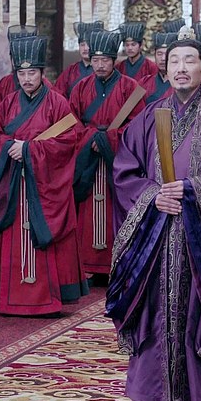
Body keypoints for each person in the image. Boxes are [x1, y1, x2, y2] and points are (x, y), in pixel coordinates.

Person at [107, 32, 201, 401]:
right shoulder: (148, 118)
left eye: (190, 61)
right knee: (156, 308)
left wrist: (192, 191)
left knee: (200, 310)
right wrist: (153, 196)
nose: (181, 68)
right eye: (174, 61)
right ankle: (153, 392)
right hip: (156, 237)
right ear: (166, 69)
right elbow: (124, 171)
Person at [0, 36, 88, 316]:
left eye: (32, 72)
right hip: (13, 184)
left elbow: (68, 140)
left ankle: (47, 298)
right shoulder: (7, 103)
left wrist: (29, 150)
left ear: (42, 73)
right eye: (22, 73)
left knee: (43, 233)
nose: (27, 79)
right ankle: (11, 297)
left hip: (44, 187)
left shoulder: (57, 103)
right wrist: (10, 147)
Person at [69, 30, 144, 281]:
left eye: (105, 60)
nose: (100, 65)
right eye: (95, 60)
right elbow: (72, 123)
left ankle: (118, 263)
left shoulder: (130, 88)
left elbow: (137, 126)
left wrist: (107, 140)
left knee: (116, 210)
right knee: (88, 212)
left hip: (117, 160)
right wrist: (91, 139)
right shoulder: (81, 88)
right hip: (88, 159)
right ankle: (88, 264)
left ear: (114, 60)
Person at [53, 21, 103, 97]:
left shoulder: (103, 69)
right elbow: (57, 95)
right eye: (82, 45)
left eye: (89, 45)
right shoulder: (71, 71)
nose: (85, 48)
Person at [139, 32, 176, 104]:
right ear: (154, 55)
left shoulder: (181, 82)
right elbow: (134, 109)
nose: (163, 58)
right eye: (159, 54)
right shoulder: (144, 82)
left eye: (167, 54)